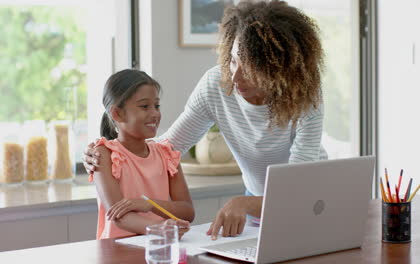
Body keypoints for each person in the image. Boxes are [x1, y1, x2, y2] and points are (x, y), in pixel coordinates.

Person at [84, 0, 326, 240]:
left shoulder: (304, 94)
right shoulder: (216, 85)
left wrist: (244, 204)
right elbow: (166, 147)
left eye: (250, 68)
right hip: (256, 201)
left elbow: (297, 186)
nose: (235, 76)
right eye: (232, 60)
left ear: (278, 68)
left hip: (308, 200)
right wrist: (106, 153)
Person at [88, 69, 194, 239]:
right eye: (145, 106)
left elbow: (187, 212)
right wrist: (160, 228)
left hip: (159, 247)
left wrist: (150, 205)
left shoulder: (167, 154)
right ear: (117, 113)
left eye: (156, 106)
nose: (155, 113)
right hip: (117, 252)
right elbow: (118, 215)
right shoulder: (104, 154)